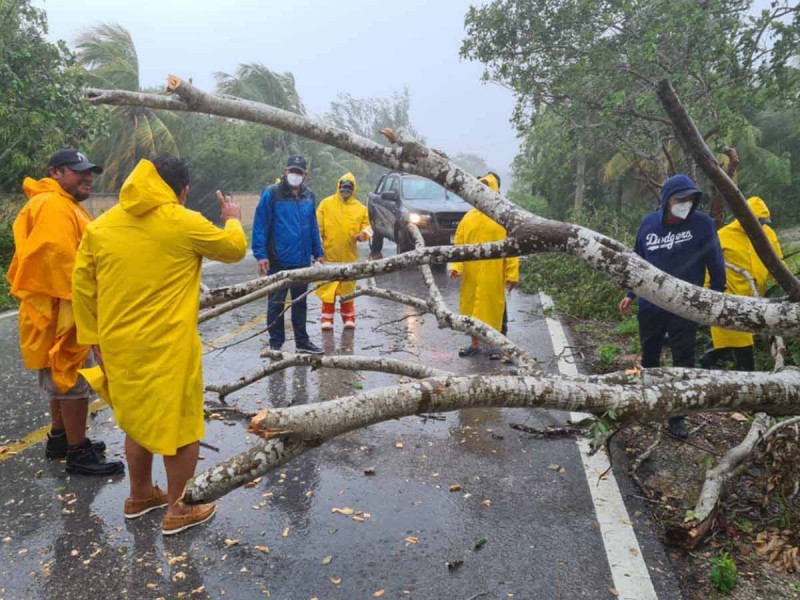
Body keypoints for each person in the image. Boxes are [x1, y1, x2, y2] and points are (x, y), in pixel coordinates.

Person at [72, 156, 247, 535]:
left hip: (117, 345)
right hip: (169, 346)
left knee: (137, 420)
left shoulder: (100, 227)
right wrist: (231, 216)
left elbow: (83, 289)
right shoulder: (182, 221)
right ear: (181, 191)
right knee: (180, 426)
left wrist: (94, 339)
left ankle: (139, 496)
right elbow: (233, 249)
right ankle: (180, 508)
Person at [6, 148, 123, 476]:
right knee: (72, 382)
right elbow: (64, 265)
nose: (87, 177)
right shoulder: (54, 206)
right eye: (78, 171)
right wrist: (95, 312)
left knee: (61, 379)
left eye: (89, 171)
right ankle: (77, 452)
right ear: (56, 172)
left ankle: (61, 439)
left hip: (51, 310)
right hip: (63, 310)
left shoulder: (55, 203)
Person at [619, 174, 726, 439]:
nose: (685, 204)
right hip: (651, 305)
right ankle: (651, 405)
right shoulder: (648, 224)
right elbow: (638, 262)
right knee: (650, 356)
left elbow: (715, 259)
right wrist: (630, 294)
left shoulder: (701, 224)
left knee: (683, 361)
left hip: (685, 306)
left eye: (690, 199)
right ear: (667, 200)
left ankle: (677, 417)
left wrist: (717, 296)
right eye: (680, 199)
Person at [700, 196, 783, 371]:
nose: (761, 226)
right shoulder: (724, 235)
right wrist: (709, 292)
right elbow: (710, 265)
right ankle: (747, 380)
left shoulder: (768, 234)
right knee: (741, 344)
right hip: (729, 299)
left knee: (731, 342)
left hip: (755, 300)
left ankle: (707, 363)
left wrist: (788, 285)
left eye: (763, 222)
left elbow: (778, 264)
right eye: (757, 222)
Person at [252, 156, 324, 354]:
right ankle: (276, 343)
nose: (295, 175)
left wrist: (318, 253)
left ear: (305, 175)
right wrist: (261, 254)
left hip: (302, 260)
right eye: (292, 171)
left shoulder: (309, 196)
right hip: (278, 261)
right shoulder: (272, 194)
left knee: (300, 303)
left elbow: (312, 226)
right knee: (276, 303)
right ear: (285, 171)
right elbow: (261, 225)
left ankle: (302, 341)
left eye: (299, 172)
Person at [449, 172, 519, 359]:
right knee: (471, 310)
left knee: (492, 309)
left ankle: (495, 345)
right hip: (472, 274)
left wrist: (512, 274)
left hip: (493, 273)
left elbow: (512, 247)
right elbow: (459, 244)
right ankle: (474, 344)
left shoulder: (502, 218)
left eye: (488, 189)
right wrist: (456, 266)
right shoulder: (468, 218)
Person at [315, 173, 372, 330]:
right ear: (338, 188)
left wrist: (363, 235)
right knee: (328, 290)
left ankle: (349, 318)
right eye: (342, 189)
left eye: (348, 190)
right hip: (329, 256)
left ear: (353, 190)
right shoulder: (326, 204)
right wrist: (317, 248)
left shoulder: (361, 208)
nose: (344, 193)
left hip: (349, 256)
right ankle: (327, 319)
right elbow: (317, 228)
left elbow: (368, 228)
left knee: (347, 289)